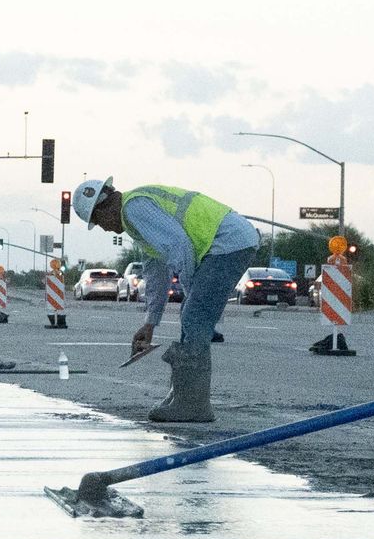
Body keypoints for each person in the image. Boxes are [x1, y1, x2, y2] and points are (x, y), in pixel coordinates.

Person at [72, 177, 259, 423]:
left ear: (105, 206)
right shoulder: (136, 223)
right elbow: (156, 273)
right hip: (228, 242)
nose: (104, 228)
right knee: (192, 316)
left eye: (98, 221)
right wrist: (151, 322)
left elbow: (179, 247)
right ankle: (183, 395)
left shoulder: (134, 208)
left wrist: (191, 293)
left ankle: (193, 404)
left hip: (228, 242)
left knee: (194, 316)